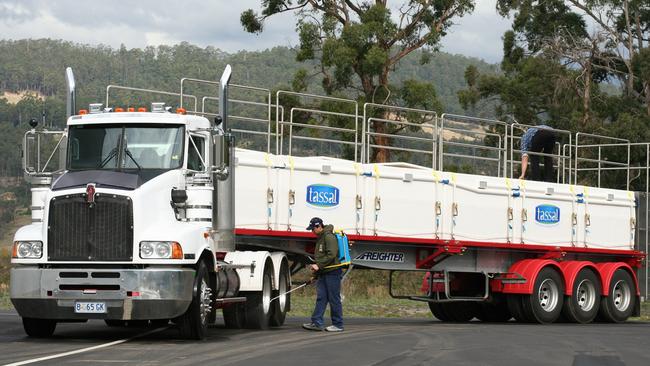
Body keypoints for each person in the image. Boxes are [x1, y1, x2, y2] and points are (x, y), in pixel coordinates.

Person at [301, 217, 344, 332]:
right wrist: (315, 275)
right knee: (321, 298)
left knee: (334, 298)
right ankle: (317, 322)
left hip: (333, 272)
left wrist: (318, 266)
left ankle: (338, 324)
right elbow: (323, 257)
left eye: (313, 229)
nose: (312, 231)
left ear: (318, 226)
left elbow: (331, 254)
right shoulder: (320, 238)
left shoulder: (329, 237)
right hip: (324, 273)